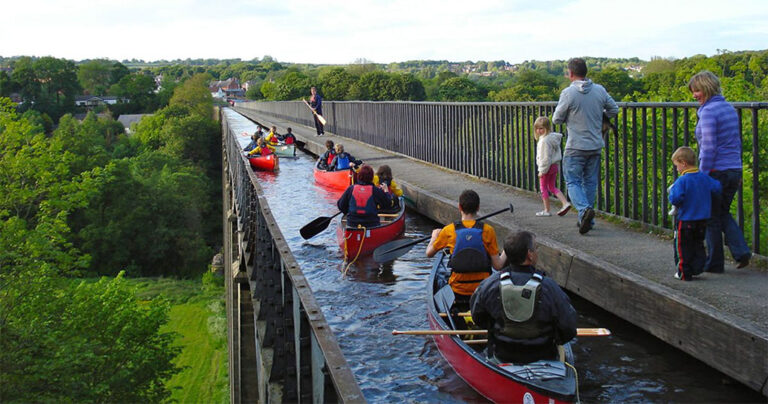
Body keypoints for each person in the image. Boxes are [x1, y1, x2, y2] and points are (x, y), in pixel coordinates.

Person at [470, 231, 578, 364]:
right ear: (530, 255)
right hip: (543, 356)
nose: (537, 251)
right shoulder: (550, 287)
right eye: (536, 248)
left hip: (502, 355)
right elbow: (569, 327)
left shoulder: (488, 285)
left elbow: (478, 317)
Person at [688, 70, 752, 271]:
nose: (694, 95)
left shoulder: (708, 112)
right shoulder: (728, 108)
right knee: (722, 211)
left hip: (716, 170)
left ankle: (714, 263)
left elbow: (708, 147)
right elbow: (735, 141)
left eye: (696, 90)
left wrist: (702, 175)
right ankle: (741, 252)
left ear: (706, 88)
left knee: (712, 216)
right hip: (733, 169)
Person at [553, 57, 618, 235]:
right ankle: (586, 219)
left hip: (575, 145)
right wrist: (598, 115)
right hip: (595, 144)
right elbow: (614, 109)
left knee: (572, 180)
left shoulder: (568, 93)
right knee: (590, 182)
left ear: (571, 73)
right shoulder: (599, 90)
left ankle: (584, 211)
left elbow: (556, 119)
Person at [426, 190, 506, 310]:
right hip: (482, 290)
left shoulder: (449, 230)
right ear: (478, 208)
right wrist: (508, 248)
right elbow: (498, 266)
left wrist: (434, 237)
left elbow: (429, 253)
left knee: (441, 282)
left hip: (457, 292)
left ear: (459, 207)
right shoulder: (488, 231)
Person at [668, 147, 722, 280]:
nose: (677, 169)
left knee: (682, 247)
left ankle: (684, 272)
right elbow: (717, 187)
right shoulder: (704, 177)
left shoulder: (682, 180)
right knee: (698, 244)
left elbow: (676, 198)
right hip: (702, 220)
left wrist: (672, 192)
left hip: (686, 219)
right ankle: (697, 267)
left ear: (683, 163)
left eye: (677, 165)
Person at [534, 116, 571, 217]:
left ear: (547, 128)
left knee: (543, 188)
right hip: (554, 166)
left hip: (547, 167)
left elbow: (545, 158)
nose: (539, 131)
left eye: (541, 128)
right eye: (537, 128)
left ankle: (547, 210)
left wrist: (542, 170)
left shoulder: (544, 141)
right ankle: (565, 203)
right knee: (552, 187)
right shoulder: (552, 138)